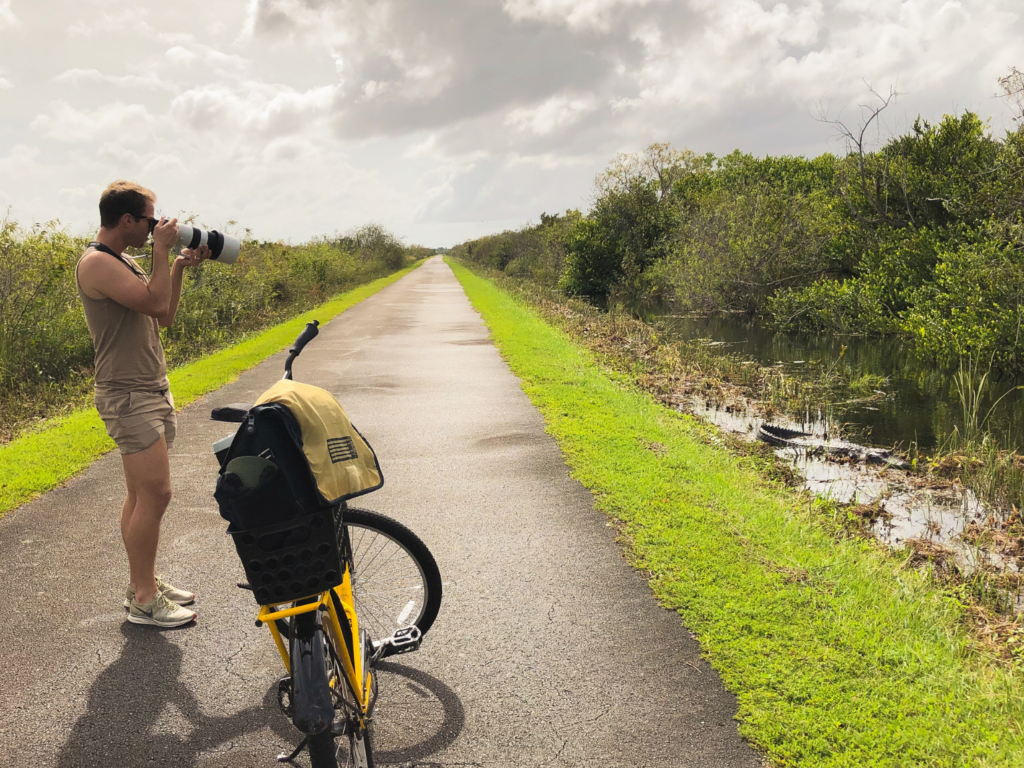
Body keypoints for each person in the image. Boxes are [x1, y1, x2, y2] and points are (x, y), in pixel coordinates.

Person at [76, 180, 209, 628]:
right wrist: (162, 253)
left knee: (140, 494)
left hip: (148, 387)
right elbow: (154, 305)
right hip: (127, 394)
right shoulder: (96, 263)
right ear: (127, 219)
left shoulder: (125, 261)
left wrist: (179, 266)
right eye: (150, 220)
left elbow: (163, 313)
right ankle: (145, 601)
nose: (157, 227)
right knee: (158, 493)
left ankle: (142, 582)